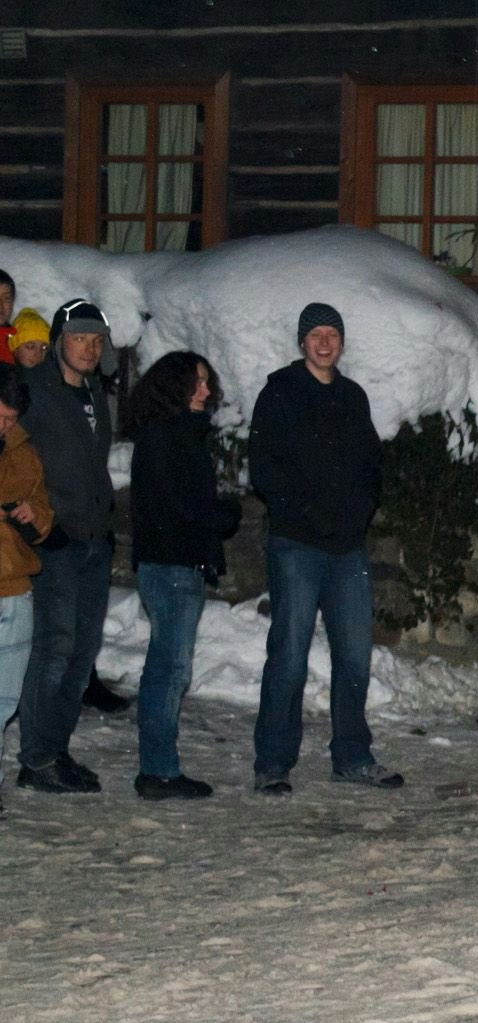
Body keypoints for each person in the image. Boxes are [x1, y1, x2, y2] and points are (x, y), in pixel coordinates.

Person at [248, 302, 402, 794]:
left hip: (348, 548)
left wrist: (362, 509)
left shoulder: (353, 397)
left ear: (341, 342)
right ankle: (273, 762)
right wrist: (299, 512)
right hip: (297, 544)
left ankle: (352, 757)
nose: (323, 341)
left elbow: (370, 464)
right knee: (289, 655)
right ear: (301, 342)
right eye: (315, 333)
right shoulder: (280, 392)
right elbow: (264, 468)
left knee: (355, 657)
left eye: (331, 333)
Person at [126, 351, 240, 799]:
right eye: (197, 382)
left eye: (207, 382)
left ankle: (159, 767)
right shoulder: (165, 437)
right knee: (168, 670)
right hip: (171, 566)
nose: (207, 391)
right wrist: (223, 514)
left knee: (169, 667)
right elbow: (178, 508)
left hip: (176, 565)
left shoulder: (177, 435)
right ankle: (158, 770)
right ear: (175, 387)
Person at [15, 299, 117, 794]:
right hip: (55, 540)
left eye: (97, 340)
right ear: (59, 341)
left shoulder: (96, 392)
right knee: (54, 648)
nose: (89, 348)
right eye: (79, 337)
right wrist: (28, 514)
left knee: (82, 652)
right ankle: (36, 759)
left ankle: (54, 749)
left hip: (94, 539)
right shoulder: (35, 391)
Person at [0, 364, 55, 818]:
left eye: (11, 419)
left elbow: (44, 516)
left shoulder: (25, 454)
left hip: (16, 588)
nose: (5, 426)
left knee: (3, 701)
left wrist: (30, 516)